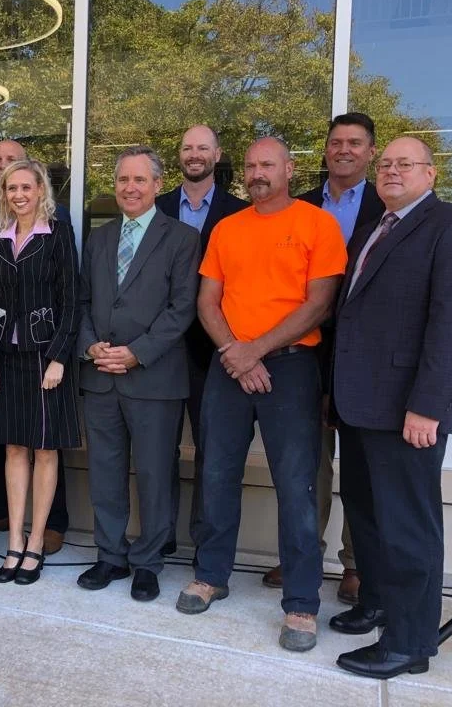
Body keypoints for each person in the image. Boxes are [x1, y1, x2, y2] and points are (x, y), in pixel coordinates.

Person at [331, 137, 452, 679]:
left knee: (407, 526)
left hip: (409, 410)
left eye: (406, 163)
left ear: (431, 174)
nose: (393, 171)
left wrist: (428, 405)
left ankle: (409, 642)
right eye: (386, 164)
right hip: (362, 405)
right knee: (368, 514)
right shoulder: (374, 229)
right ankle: (378, 603)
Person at [179, 137, 346, 654]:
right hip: (229, 363)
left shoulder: (318, 224)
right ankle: (211, 575)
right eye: (251, 165)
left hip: (291, 367)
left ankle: (301, 603)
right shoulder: (227, 228)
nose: (257, 173)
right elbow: (207, 301)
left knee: (296, 485)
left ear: (289, 169)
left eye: (267, 164)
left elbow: (319, 304)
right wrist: (236, 352)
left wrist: (257, 350)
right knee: (216, 473)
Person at [262, 112, 384, 603]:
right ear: (326, 150)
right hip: (306, 352)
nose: (344, 150)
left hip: (364, 356)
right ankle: (303, 554)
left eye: (355, 143)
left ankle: (356, 563)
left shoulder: (386, 206)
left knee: (360, 463)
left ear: (370, 151)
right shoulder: (301, 206)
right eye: (337, 142)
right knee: (307, 462)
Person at [76, 145, 200, 602]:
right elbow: (83, 300)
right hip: (101, 375)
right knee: (105, 472)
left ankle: (148, 561)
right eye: (123, 180)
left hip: (153, 377)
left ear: (157, 185)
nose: (130, 188)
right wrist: (90, 344)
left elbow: (182, 307)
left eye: (139, 180)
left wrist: (136, 353)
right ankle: (110, 555)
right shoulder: (99, 237)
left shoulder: (183, 238)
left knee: (154, 474)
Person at [0, 158, 80, 585]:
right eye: (11, 188)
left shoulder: (58, 234)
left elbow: (71, 300)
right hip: (6, 357)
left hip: (45, 358)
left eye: (26, 187)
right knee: (14, 449)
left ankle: (36, 541)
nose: (19, 195)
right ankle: (15, 540)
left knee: (46, 450)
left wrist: (59, 357)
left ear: (40, 191)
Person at [156, 124, 248, 554]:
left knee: (213, 453)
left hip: (215, 350)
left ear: (217, 154)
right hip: (159, 348)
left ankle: (205, 544)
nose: (194, 154)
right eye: (187, 147)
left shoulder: (239, 212)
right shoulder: (155, 207)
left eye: (203, 148)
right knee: (160, 450)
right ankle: (161, 537)